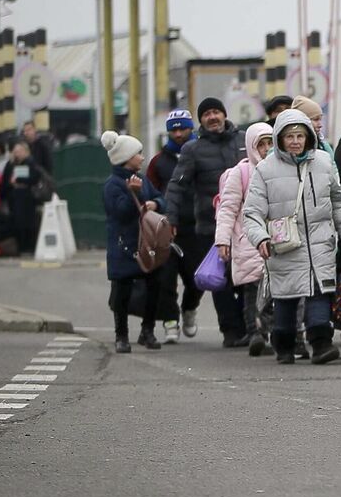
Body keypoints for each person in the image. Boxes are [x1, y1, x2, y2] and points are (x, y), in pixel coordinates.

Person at [243, 110, 341, 365]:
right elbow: (252, 213)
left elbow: (337, 200)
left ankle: (321, 344)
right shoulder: (265, 169)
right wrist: (260, 238)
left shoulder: (324, 162)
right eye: (290, 136)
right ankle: (284, 346)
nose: (295, 141)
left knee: (319, 292)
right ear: (280, 138)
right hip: (284, 244)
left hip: (320, 242)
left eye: (300, 135)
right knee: (286, 297)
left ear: (308, 137)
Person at [164, 97, 249, 346]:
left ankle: (249, 327)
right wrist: (171, 218)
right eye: (206, 114)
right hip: (210, 228)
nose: (212, 117)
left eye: (216, 112)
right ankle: (231, 332)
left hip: (244, 225)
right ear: (200, 121)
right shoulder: (193, 150)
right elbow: (176, 186)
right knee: (219, 281)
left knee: (246, 277)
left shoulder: (243, 140)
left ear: (224, 115)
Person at [101, 130, 166, 353]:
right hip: (124, 245)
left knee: (154, 286)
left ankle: (147, 331)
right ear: (126, 158)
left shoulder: (143, 179)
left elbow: (159, 198)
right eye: (138, 154)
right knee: (122, 291)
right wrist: (136, 196)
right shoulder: (113, 185)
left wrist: (155, 204)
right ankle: (121, 335)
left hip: (148, 243)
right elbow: (121, 212)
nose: (142, 157)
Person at [213, 123, 275, 355]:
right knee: (252, 290)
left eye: (271, 143)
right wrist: (223, 240)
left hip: (276, 238)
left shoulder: (280, 169)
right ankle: (255, 333)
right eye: (262, 144)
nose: (267, 149)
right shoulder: (241, 172)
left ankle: (268, 330)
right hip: (247, 241)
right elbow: (227, 209)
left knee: (273, 291)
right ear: (251, 146)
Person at [145, 108, 197, 343]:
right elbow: (151, 191)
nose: (178, 134)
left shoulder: (201, 154)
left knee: (196, 278)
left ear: (191, 128)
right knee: (166, 278)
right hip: (166, 229)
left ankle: (189, 309)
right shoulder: (158, 162)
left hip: (196, 226)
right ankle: (170, 322)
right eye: (174, 130)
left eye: (182, 128)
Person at [1, 138, 46, 258]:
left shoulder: (31, 163)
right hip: (15, 198)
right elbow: (6, 181)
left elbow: (34, 178)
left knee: (29, 223)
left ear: (25, 151)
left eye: (20, 151)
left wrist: (19, 180)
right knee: (17, 223)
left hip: (27, 198)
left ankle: (29, 247)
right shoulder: (11, 164)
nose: (17, 154)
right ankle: (20, 247)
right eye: (15, 151)